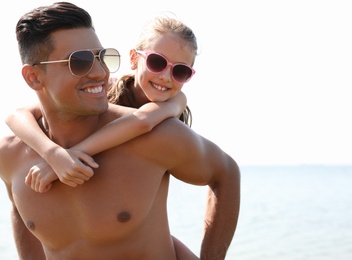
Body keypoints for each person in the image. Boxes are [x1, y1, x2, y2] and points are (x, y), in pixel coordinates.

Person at [0, 2, 240, 259]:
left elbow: (226, 173)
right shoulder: (11, 155)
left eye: (101, 58)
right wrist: (51, 152)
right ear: (34, 77)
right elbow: (20, 209)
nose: (100, 72)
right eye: (79, 62)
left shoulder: (158, 134)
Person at [6, 14, 195, 193]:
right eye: (156, 62)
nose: (165, 77)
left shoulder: (176, 101)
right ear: (134, 58)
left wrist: (68, 156)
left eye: (181, 71)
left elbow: (142, 121)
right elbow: (15, 116)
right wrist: (52, 154)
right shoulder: (106, 88)